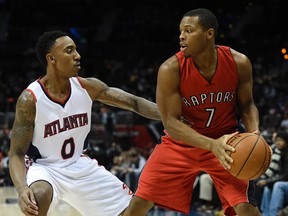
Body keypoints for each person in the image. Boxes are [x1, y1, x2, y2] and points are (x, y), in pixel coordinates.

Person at [124, 8, 262, 216]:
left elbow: (248, 105)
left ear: (209, 34)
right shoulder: (170, 69)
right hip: (181, 144)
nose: (181, 36)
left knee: (246, 210)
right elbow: (171, 123)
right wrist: (210, 145)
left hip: (227, 143)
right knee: (139, 204)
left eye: (188, 30)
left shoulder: (239, 62)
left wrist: (255, 134)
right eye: (180, 31)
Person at [8, 30, 161, 216]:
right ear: (52, 59)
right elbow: (16, 153)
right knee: (37, 197)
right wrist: (22, 188)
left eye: (76, 50)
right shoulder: (30, 99)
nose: (77, 56)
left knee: (132, 211)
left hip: (79, 163)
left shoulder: (87, 87)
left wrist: (171, 115)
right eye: (69, 51)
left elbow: (134, 103)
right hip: (45, 168)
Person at [259, 131, 288, 216]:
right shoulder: (282, 153)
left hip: (285, 182)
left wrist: (268, 181)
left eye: (280, 140)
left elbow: (286, 175)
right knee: (268, 187)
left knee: (278, 185)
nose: (278, 142)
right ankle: (265, 214)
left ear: (286, 141)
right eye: (277, 140)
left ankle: (273, 214)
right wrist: (268, 182)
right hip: (285, 181)